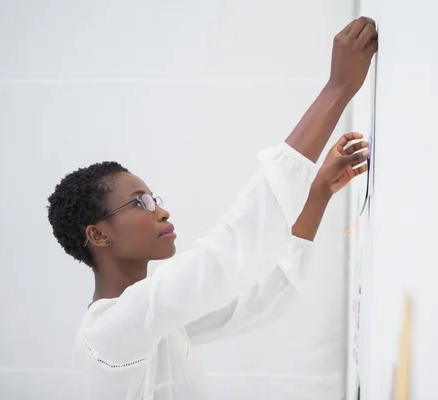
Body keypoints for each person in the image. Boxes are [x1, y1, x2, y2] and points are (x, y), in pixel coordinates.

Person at [47, 16, 378, 400]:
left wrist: (317, 193)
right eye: (141, 202)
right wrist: (336, 90)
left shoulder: (153, 322)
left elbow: (260, 299)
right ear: (98, 234)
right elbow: (226, 254)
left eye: (156, 199)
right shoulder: (111, 330)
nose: (161, 211)